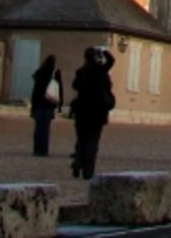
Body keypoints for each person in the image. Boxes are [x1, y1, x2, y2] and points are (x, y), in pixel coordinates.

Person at [70, 46, 116, 180]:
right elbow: (112, 60)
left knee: (81, 140)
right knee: (92, 142)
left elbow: (75, 86)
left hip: (82, 111)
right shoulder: (100, 71)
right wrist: (104, 51)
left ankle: (78, 163)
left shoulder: (81, 72)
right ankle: (88, 171)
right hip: (97, 112)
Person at [29, 54, 63, 157]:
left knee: (38, 127)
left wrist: (33, 106)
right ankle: (44, 150)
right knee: (46, 128)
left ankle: (37, 149)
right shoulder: (55, 72)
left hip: (39, 103)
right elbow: (59, 88)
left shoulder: (39, 72)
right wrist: (60, 104)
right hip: (49, 103)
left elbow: (35, 91)